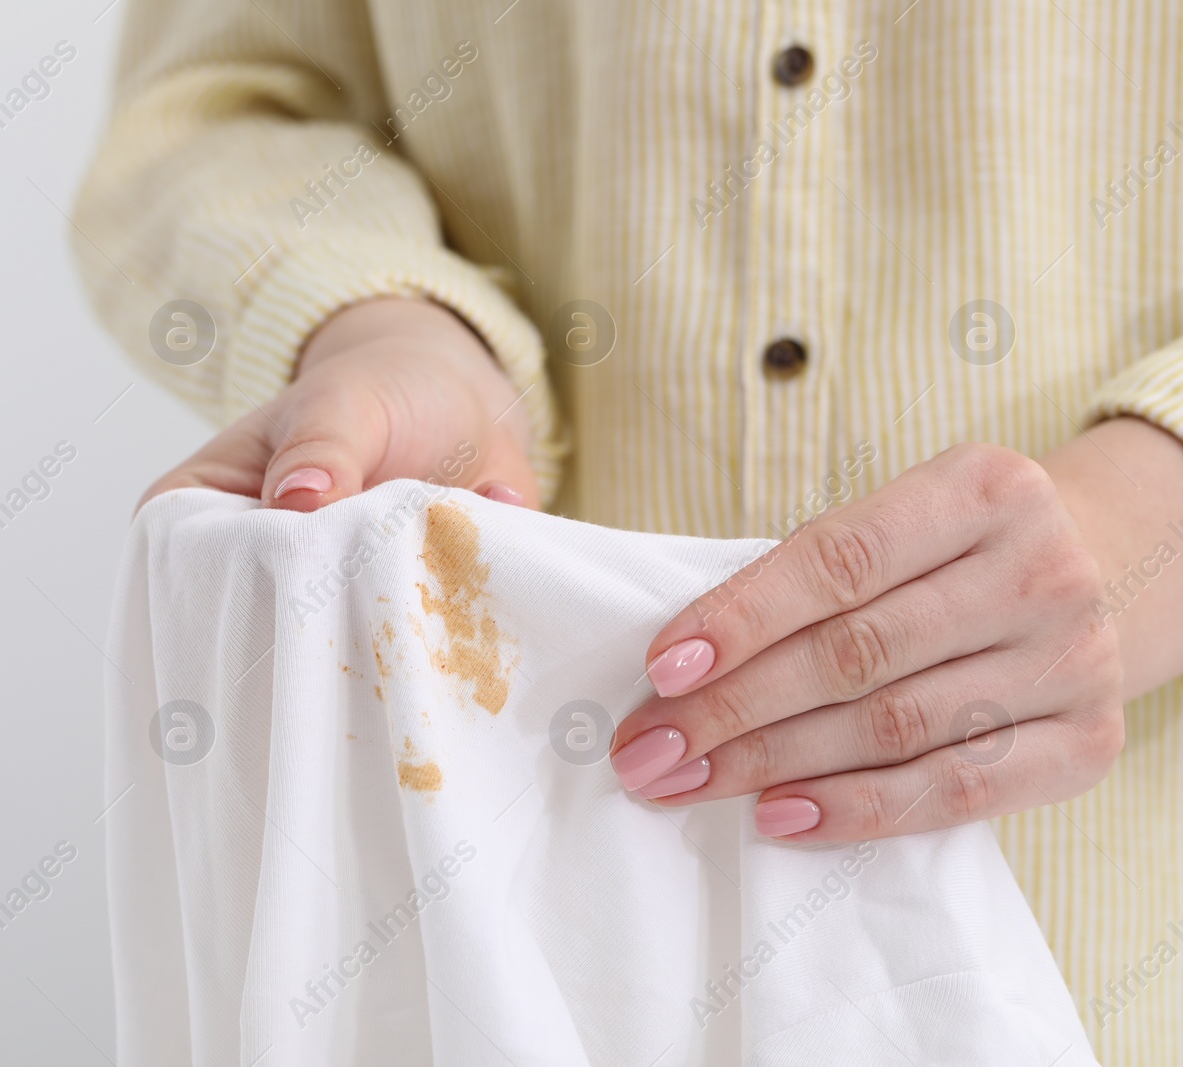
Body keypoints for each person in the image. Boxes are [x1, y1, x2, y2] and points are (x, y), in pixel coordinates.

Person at [71, 2, 1183, 1060]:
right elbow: (219, 106)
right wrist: (392, 318)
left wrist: (1136, 528)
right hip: (485, 909)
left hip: (1116, 940)